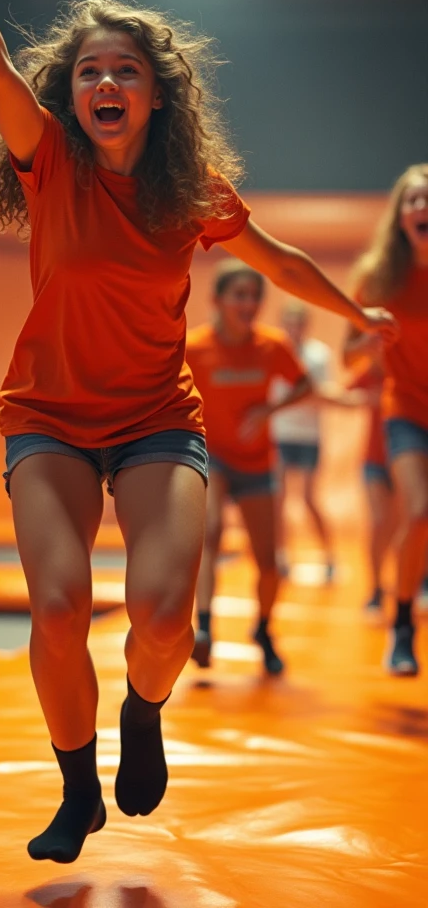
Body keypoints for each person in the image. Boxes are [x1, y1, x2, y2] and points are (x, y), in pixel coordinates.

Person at [0, 0, 395, 863]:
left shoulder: (190, 192)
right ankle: (76, 791)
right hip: (49, 419)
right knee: (59, 603)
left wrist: (351, 310)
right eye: (87, 72)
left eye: (124, 70)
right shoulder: (48, 163)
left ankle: (142, 707)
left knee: (162, 616)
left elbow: (275, 260)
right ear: (70, 94)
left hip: (158, 419)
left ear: (158, 93)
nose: (103, 82)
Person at [186, 262, 311, 675]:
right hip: (214, 454)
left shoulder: (271, 346)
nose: (249, 304)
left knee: (268, 560)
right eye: (239, 295)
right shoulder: (196, 346)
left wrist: (269, 409)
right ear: (218, 300)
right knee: (212, 531)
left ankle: (263, 628)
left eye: (255, 296)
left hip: (257, 461)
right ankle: (203, 628)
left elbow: (304, 384)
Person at [345, 164, 428, 676]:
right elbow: (347, 359)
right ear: (400, 215)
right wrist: (369, 346)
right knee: (415, 513)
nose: (423, 208)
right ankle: (402, 622)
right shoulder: (379, 279)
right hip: (406, 411)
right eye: (414, 200)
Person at [271, 299, 355, 583]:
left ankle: (329, 555)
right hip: (280, 434)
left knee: (307, 498)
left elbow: (321, 393)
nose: (294, 329)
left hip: (308, 435)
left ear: (306, 326)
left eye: (299, 323)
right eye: (289, 323)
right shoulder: (275, 350)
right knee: (278, 499)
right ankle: (281, 555)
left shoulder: (318, 355)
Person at [346, 362, 397, 617]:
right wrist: (365, 398)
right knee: (379, 522)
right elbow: (345, 394)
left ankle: (415, 583)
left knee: (404, 526)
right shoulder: (371, 371)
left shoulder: (405, 370)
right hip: (374, 460)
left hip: (405, 458)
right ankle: (376, 587)